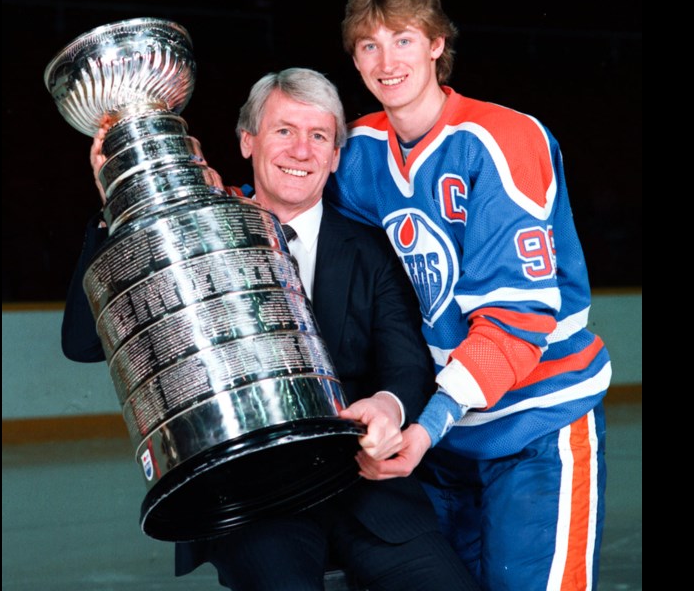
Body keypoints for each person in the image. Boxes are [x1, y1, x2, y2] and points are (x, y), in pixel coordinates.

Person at [62, 67, 479, 591]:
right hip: (253, 498)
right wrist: (118, 206)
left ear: (334, 156)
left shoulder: (373, 249)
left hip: (367, 489)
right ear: (247, 141)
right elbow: (82, 343)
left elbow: (406, 363)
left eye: (319, 136)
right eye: (284, 130)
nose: (301, 151)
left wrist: (389, 405)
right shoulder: (191, 237)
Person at [324, 0, 613, 591]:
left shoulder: (501, 138)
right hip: (444, 440)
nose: (386, 59)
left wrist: (428, 424)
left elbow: (519, 317)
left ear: (435, 44)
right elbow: (298, 208)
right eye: (368, 44)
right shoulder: (360, 150)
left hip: (536, 423)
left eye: (403, 39)